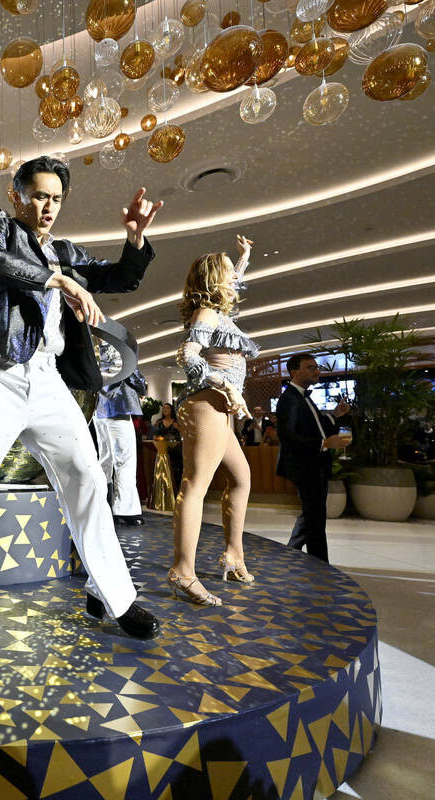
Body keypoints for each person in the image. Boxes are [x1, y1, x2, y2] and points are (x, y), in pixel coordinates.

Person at [0, 155, 164, 672]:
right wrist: (58, 282)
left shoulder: (65, 250)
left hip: (47, 381)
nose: (47, 208)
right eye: (39, 196)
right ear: (17, 193)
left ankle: (115, 597)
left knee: (89, 479)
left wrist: (134, 242)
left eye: (56, 199)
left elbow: (119, 278)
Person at [170, 236, 259, 607]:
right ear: (212, 279)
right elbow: (187, 354)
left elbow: (235, 283)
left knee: (241, 478)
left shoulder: (221, 314)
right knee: (196, 485)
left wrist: (244, 259)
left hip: (220, 408)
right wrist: (221, 382)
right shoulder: (206, 313)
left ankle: (233, 554)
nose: (232, 281)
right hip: (206, 403)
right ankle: (182, 570)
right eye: (226, 274)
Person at [276, 353, 352, 562]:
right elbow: (287, 437)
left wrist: (335, 415)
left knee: (313, 514)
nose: (316, 371)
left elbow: (316, 426)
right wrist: (326, 444)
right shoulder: (288, 399)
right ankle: (320, 564)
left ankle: (292, 551)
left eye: (316, 367)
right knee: (315, 519)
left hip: (316, 465)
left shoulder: (303, 397)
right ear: (294, 372)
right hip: (305, 467)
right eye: (310, 367)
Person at [94, 343, 147, 526]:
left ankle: (102, 506)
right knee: (125, 460)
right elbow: (140, 384)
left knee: (104, 460)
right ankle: (125, 510)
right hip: (120, 409)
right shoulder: (123, 359)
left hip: (98, 410)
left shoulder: (95, 356)